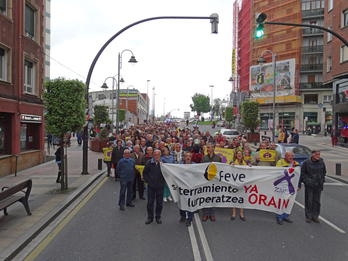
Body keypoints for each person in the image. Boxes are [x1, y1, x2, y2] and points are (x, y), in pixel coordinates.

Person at [300, 150, 326, 223]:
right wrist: (306, 181)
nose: (318, 156)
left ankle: (315, 216)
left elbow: (324, 172)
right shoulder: (306, 162)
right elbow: (302, 173)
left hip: (318, 184)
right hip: (310, 184)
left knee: (316, 201)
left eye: (319, 154)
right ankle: (308, 216)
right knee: (309, 200)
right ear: (312, 154)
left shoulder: (321, 162)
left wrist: (322, 180)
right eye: (316, 154)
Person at [275, 151, 300, 225]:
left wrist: (299, 185)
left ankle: (285, 216)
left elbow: (299, 176)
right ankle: (279, 217)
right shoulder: (280, 163)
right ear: (285, 156)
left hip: (291, 186)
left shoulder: (296, 164)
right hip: (282, 185)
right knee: (281, 201)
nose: (290, 157)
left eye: (291, 155)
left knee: (289, 201)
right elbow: (277, 173)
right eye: (288, 155)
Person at [200, 142, 222, 222]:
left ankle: (212, 213)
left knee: (213, 197)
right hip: (206, 181)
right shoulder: (204, 158)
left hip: (215, 182)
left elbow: (221, 170)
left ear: (213, 148)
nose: (207, 149)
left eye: (209, 147)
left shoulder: (218, 158)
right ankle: (205, 213)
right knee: (205, 197)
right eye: (207, 147)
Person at [143, 150, 165, 225]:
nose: (156, 156)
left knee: (159, 203)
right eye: (155, 154)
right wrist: (148, 181)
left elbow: (167, 174)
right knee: (150, 203)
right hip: (151, 186)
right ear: (153, 155)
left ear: (160, 155)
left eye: (158, 155)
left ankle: (158, 217)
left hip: (160, 186)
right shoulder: (149, 163)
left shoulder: (164, 163)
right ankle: (150, 217)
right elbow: (145, 173)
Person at [230, 149, 252, 221]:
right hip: (235, 183)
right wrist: (231, 166)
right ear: (236, 155)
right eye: (238, 153)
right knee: (234, 198)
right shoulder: (232, 162)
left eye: (240, 153)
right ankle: (234, 213)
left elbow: (250, 171)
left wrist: (250, 166)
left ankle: (241, 214)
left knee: (241, 198)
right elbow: (228, 172)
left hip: (243, 183)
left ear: (242, 155)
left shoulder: (245, 162)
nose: (239, 155)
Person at [178, 151, 195, 226]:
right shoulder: (179, 165)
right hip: (182, 187)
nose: (188, 157)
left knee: (191, 203)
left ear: (191, 157)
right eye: (186, 156)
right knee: (182, 202)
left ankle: (190, 219)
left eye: (189, 156)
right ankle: (183, 216)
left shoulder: (195, 166)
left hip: (191, 187)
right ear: (184, 157)